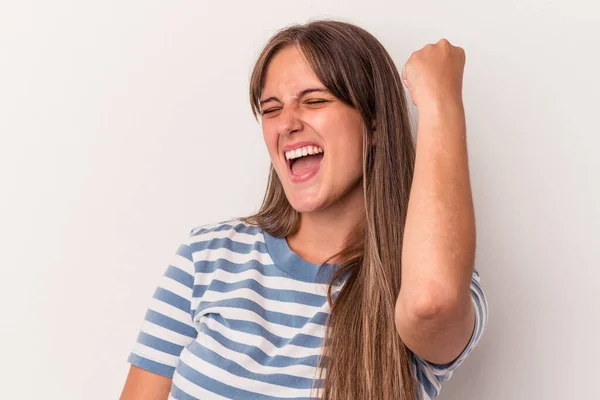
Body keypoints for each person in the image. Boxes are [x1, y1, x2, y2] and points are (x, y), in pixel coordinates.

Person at [120, 19, 488, 400]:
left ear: (375, 123)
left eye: (314, 101)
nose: (286, 124)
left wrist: (440, 102)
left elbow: (432, 303)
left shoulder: (422, 279)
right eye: (271, 109)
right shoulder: (207, 255)